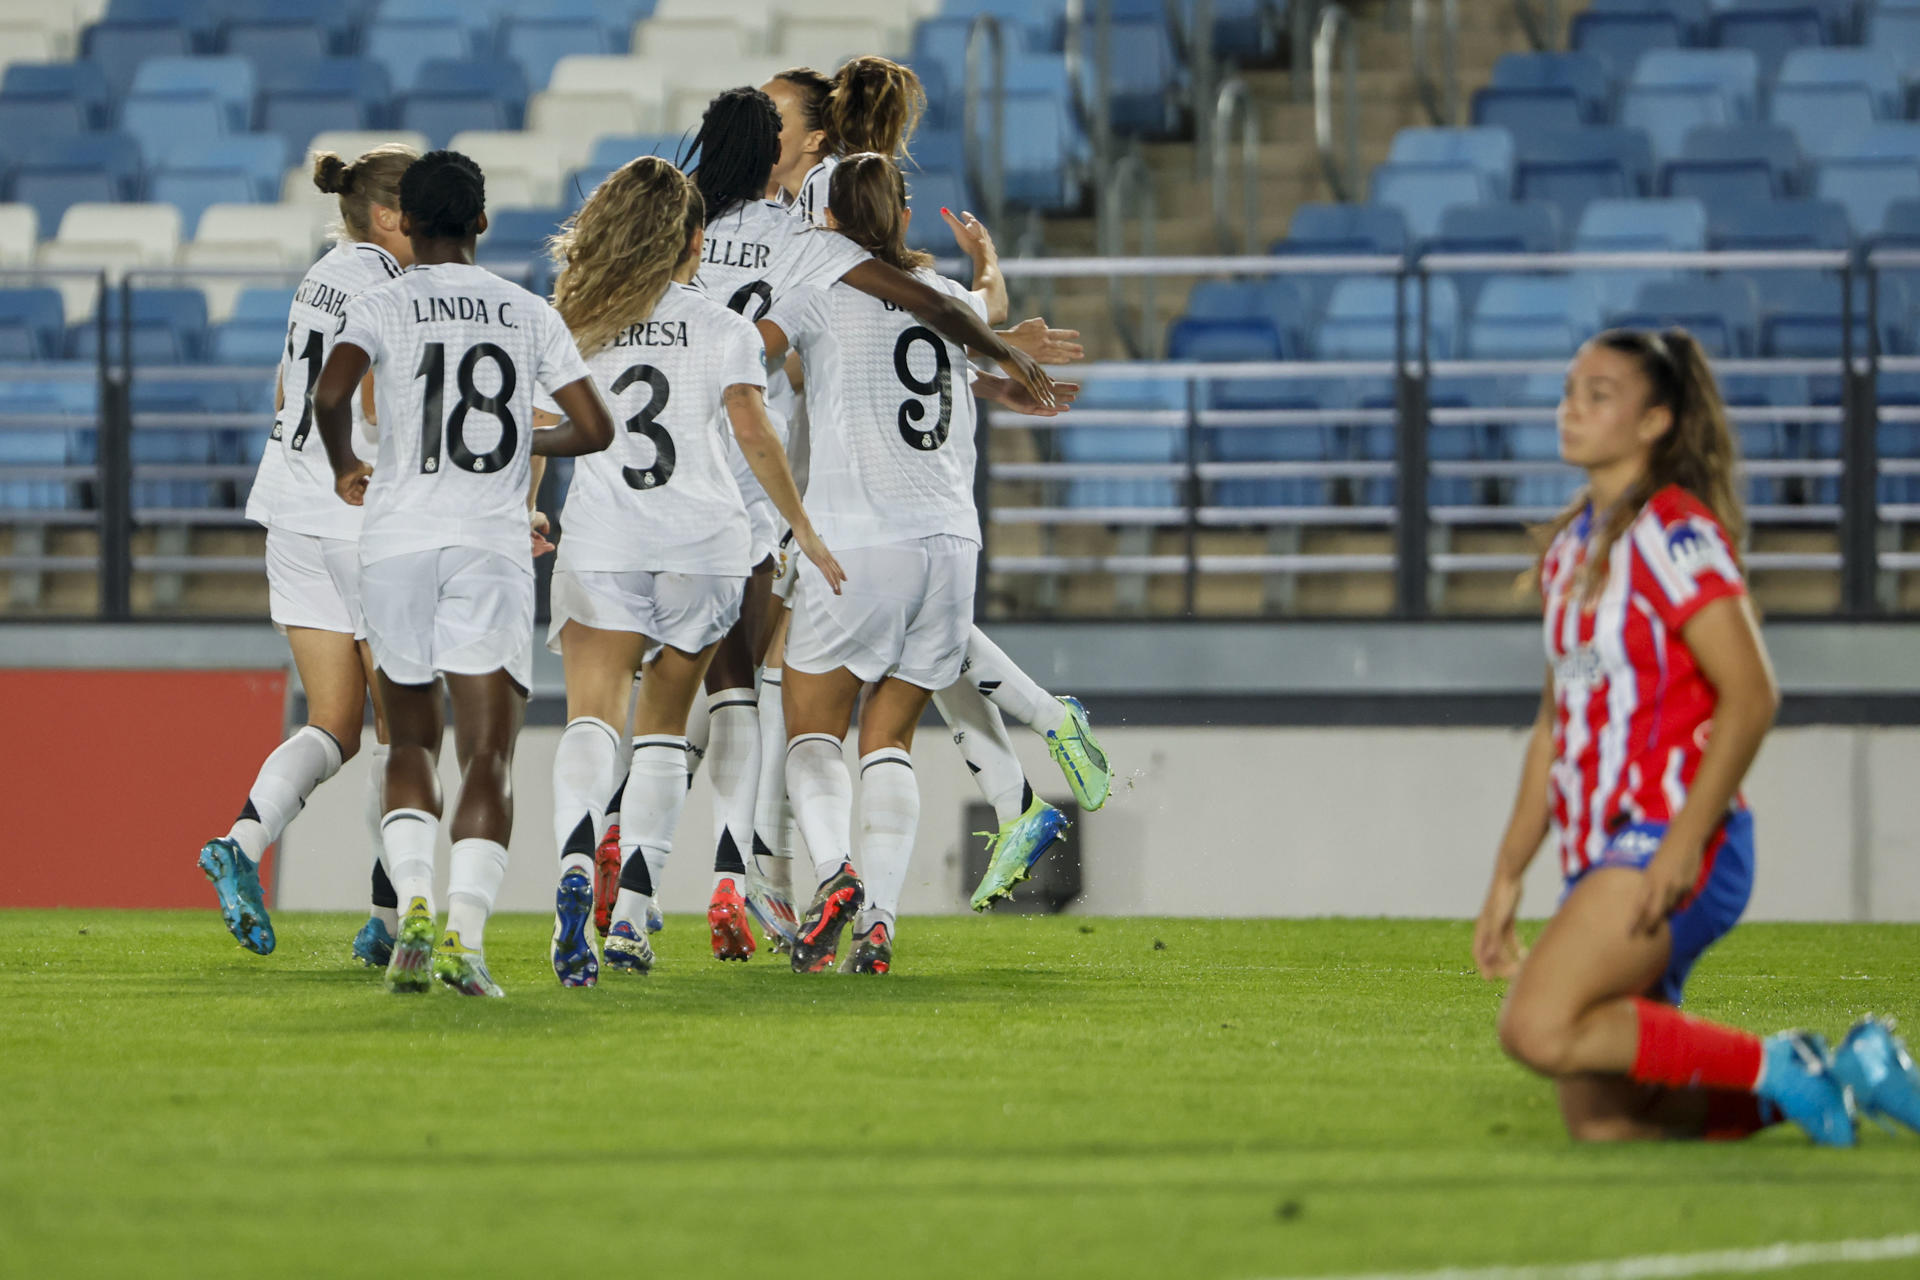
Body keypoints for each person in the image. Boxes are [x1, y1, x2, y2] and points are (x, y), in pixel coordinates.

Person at [1473, 327, 1920, 1143]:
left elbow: (1751, 694)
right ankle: (1839, 1077)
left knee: (1533, 1025)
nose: (1571, 407)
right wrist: (1509, 874)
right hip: (1601, 855)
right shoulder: (1573, 554)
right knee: (1610, 1121)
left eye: (1598, 394)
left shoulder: (1674, 537)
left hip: (1675, 841)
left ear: (1655, 423)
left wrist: (1683, 839)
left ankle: (1778, 1062)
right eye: (1570, 389)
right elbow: (1554, 724)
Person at [764, 64, 1114, 912]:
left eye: (774, 115)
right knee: (922, 659)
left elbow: (806, 350)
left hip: (839, 487)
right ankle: (1019, 788)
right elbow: (941, 319)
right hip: (936, 503)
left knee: (792, 706)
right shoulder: (906, 245)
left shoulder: (816, 220)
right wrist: (993, 319)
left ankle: (777, 885)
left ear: (821, 136)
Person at [312, 150, 615, 997]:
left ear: (404, 223)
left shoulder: (380, 301)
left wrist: (344, 466)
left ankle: (409, 900)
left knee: (407, 740)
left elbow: (331, 396)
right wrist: (525, 439)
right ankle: (464, 937)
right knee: (490, 752)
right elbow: (594, 427)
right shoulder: (527, 312)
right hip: (488, 542)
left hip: (398, 538)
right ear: (482, 222)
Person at [540, 154, 844, 986]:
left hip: (606, 541)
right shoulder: (722, 328)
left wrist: (522, 508)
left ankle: (574, 858)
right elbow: (754, 433)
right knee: (666, 731)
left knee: (592, 723)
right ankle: (633, 914)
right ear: (690, 242)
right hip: (705, 547)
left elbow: (536, 431)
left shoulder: (572, 322)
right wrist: (805, 529)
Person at [756, 152, 1006, 974]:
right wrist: (989, 266)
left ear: (826, 218)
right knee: (890, 736)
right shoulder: (955, 300)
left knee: (811, 733)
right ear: (898, 216)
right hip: (951, 547)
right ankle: (881, 925)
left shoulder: (820, 289)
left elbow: (750, 355)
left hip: (858, 541)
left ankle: (836, 875)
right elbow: (988, 314)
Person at [196, 143, 416, 962]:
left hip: (290, 512)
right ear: (392, 216)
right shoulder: (391, 287)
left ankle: (241, 846)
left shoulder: (321, 274)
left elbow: (289, 389)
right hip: (357, 516)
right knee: (404, 728)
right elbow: (365, 397)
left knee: (335, 722)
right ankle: (390, 924)